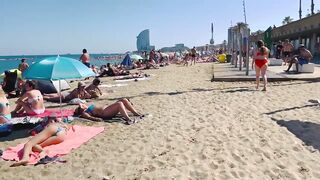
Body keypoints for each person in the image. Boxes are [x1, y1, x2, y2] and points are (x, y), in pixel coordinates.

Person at [74, 98, 142, 124]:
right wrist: (96, 119)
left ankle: (135, 113)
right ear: (80, 110)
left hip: (107, 109)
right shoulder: (84, 113)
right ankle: (128, 119)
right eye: (79, 108)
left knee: (124, 100)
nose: (81, 106)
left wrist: (81, 106)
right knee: (119, 104)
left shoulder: (87, 107)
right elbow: (89, 117)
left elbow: (80, 103)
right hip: (105, 113)